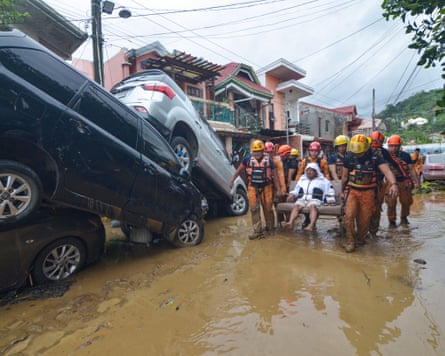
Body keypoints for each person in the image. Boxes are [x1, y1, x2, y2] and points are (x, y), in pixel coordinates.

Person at [341, 134, 399, 253]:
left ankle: (361, 240)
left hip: (369, 193)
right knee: (349, 216)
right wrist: (342, 191)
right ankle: (350, 241)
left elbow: (387, 171)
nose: (357, 155)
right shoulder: (349, 157)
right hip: (352, 191)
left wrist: (393, 184)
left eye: (360, 153)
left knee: (364, 221)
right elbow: (345, 176)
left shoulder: (375, 157)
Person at [230, 139, 283, 240]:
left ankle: (270, 228)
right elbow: (239, 170)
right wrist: (232, 181)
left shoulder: (269, 161)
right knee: (254, 209)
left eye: (259, 151)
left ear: (263, 151)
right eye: (255, 151)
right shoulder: (247, 160)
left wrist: (279, 189)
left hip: (266, 187)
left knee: (268, 209)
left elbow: (275, 176)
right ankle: (257, 231)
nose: (257, 153)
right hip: (252, 187)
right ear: (252, 152)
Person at [281, 163, 335, 231]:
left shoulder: (323, 181)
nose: (309, 172)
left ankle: (311, 225)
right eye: (307, 170)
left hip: (315, 199)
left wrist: (330, 199)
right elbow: (296, 190)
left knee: (312, 207)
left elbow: (329, 190)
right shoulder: (302, 180)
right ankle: (290, 223)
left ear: (316, 171)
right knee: (296, 206)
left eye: (311, 170)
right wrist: (292, 194)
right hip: (302, 198)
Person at [385, 135, 419, 227]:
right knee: (391, 202)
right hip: (391, 183)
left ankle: (404, 218)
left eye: (396, 145)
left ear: (399, 146)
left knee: (406, 201)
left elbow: (411, 169)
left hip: (404, 182)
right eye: (391, 146)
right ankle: (392, 221)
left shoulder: (405, 155)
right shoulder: (385, 156)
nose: (394, 148)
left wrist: (416, 182)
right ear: (388, 146)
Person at [294, 141, 330, 228]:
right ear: (309, 151)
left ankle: (312, 222)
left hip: (318, 185)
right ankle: (307, 219)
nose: (314, 153)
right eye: (312, 151)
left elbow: (326, 174)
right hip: (307, 183)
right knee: (305, 199)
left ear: (319, 152)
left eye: (316, 151)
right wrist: (299, 183)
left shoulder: (323, 162)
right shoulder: (304, 161)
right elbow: (299, 173)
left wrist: (325, 184)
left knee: (314, 202)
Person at [264, 141, 286, 228]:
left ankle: (281, 223)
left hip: (276, 188)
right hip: (266, 188)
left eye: (270, 152)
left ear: (273, 152)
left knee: (278, 206)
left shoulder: (277, 162)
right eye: (267, 152)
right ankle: (270, 225)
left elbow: (281, 176)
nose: (269, 154)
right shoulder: (261, 161)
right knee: (267, 207)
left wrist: (282, 189)